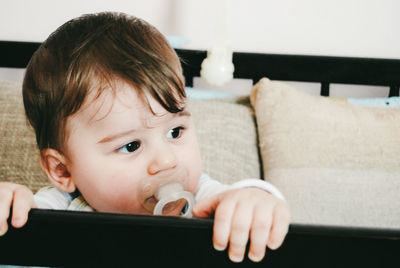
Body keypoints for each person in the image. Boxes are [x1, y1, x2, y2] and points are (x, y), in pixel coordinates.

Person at [0, 12, 290, 263]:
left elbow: (238, 202)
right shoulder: (56, 212)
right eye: (131, 145)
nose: (166, 161)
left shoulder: (202, 201)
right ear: (62, 170)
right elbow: (20, 233)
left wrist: (255, 201)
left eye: (175, 132)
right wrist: (11, 206)